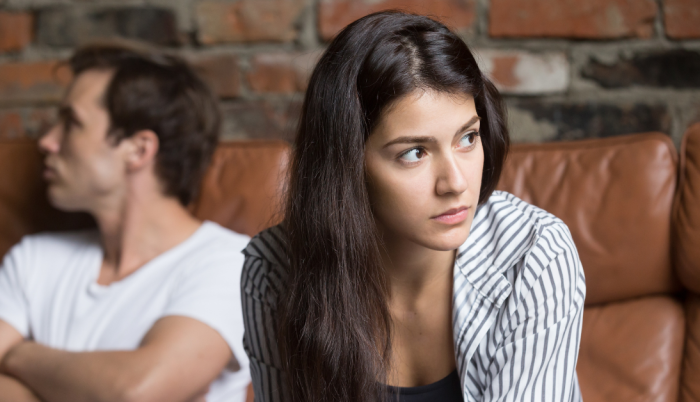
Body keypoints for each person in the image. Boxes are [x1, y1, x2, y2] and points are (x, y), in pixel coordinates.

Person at [241, 11, 586, 402]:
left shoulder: (532, 256)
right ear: (346, 165)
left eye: (468, 138)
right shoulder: (273, 272)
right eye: (414, 152)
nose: (456, 183)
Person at [0, 42, 250, 402]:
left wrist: (17, 355)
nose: (48, 142)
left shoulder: (233, 264)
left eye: (71, 123)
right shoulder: (33, 258)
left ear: (138, 150)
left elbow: (134, 392)